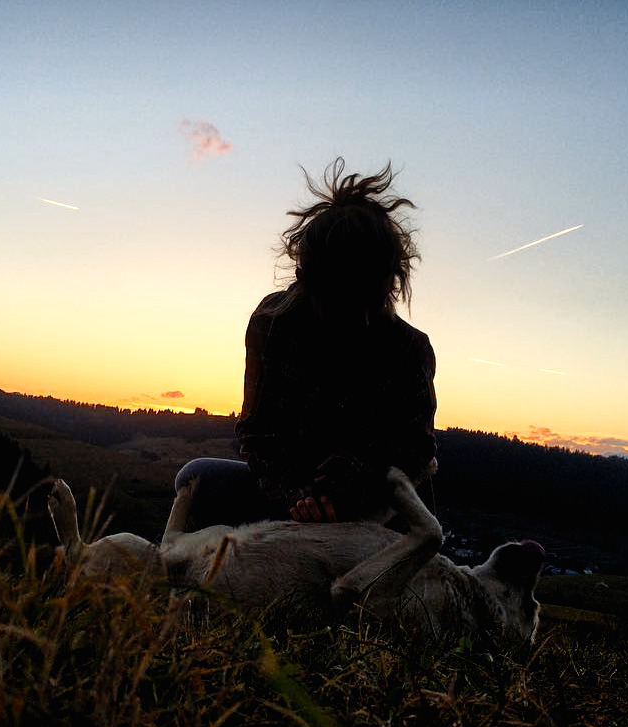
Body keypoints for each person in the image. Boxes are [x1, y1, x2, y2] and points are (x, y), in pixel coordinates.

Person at [175, 158, 437, 528]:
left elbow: (417, 450)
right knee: (195, 479)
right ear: (307, 282)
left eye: (376, 301)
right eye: (348, 305)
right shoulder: (272, 324)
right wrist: (297, 494)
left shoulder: (410, 349)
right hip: (292, 496)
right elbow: (259, 433)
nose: (365, 319)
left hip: (377, 504)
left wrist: (360, 475)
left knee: (415, 514)